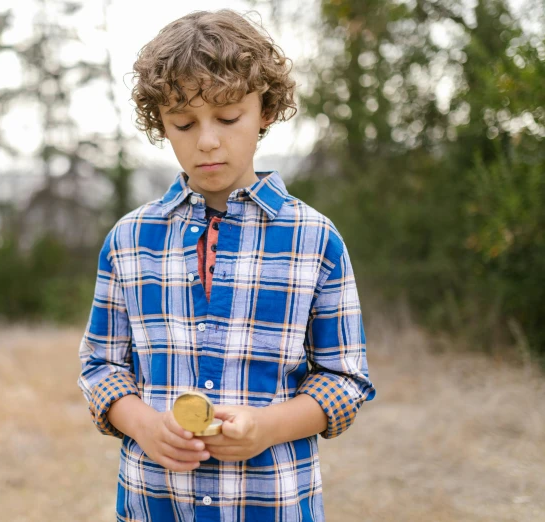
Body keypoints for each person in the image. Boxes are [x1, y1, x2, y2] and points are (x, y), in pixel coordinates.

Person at [78, 9, 376, 522]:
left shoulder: (315, 240)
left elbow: (344, 379)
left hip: (274, 504)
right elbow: (101, 367)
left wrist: (268, 427)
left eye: (228, 117)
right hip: (155, 504)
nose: (207, 141)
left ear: (265, 110)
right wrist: (144, 424)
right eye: (184, 123)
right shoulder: (129, 241)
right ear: (161, 125)